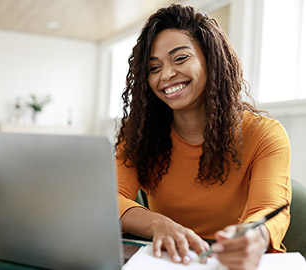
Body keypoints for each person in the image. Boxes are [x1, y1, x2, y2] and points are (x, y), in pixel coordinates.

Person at [115, 4, 291, 270]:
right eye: (153, 68)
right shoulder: (140, 134)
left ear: (211, 59)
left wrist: (254, 237)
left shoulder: (264, 134)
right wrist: (159, 224)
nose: (166, 75)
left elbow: (271, 209)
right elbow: (110, 199)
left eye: (180, 58)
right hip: (166, 261)